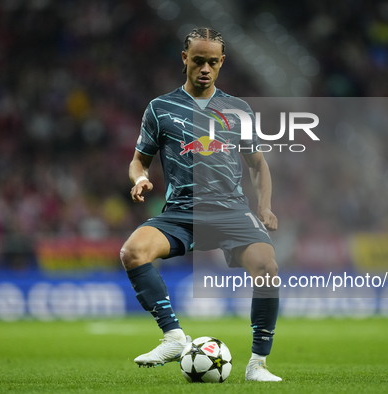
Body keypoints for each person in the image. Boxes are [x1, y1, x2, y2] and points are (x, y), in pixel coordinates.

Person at [120, 27, 282, 382]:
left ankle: (257, 364)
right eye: (198, 61)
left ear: (222, 62)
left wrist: (264, 207)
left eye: (212, 62)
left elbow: (258, 165)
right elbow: (138, 160)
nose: (205, 68)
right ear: (185, 59)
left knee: (267, 268)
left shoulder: (237, 109)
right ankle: (174, 337)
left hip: (231, 210)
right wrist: (140, 178)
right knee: (132, 252)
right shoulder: (160, 108)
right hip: (181, 211)